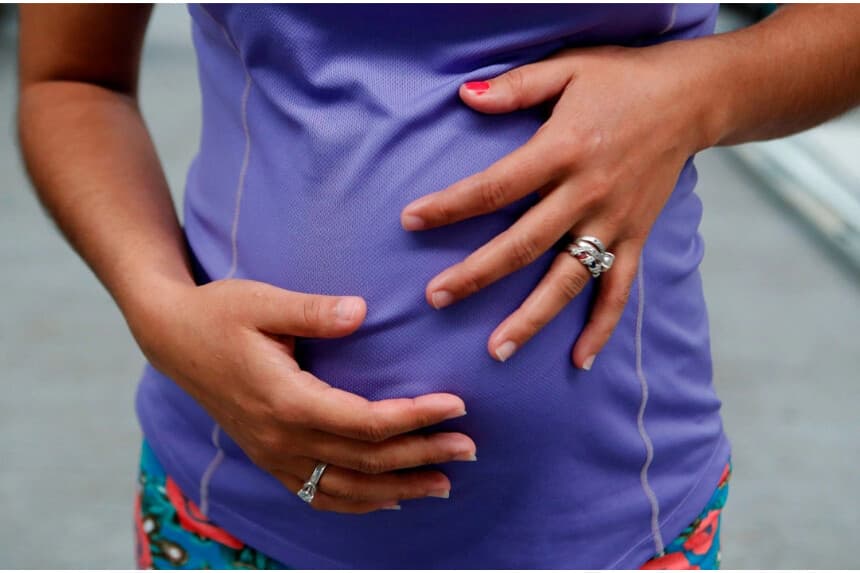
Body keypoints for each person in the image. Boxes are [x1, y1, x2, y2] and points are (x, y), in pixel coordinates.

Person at [17, 4, 860, 570]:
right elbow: (72, 78)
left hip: (611, 520)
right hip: (234, 509)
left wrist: (702, 93)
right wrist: (158, 306)